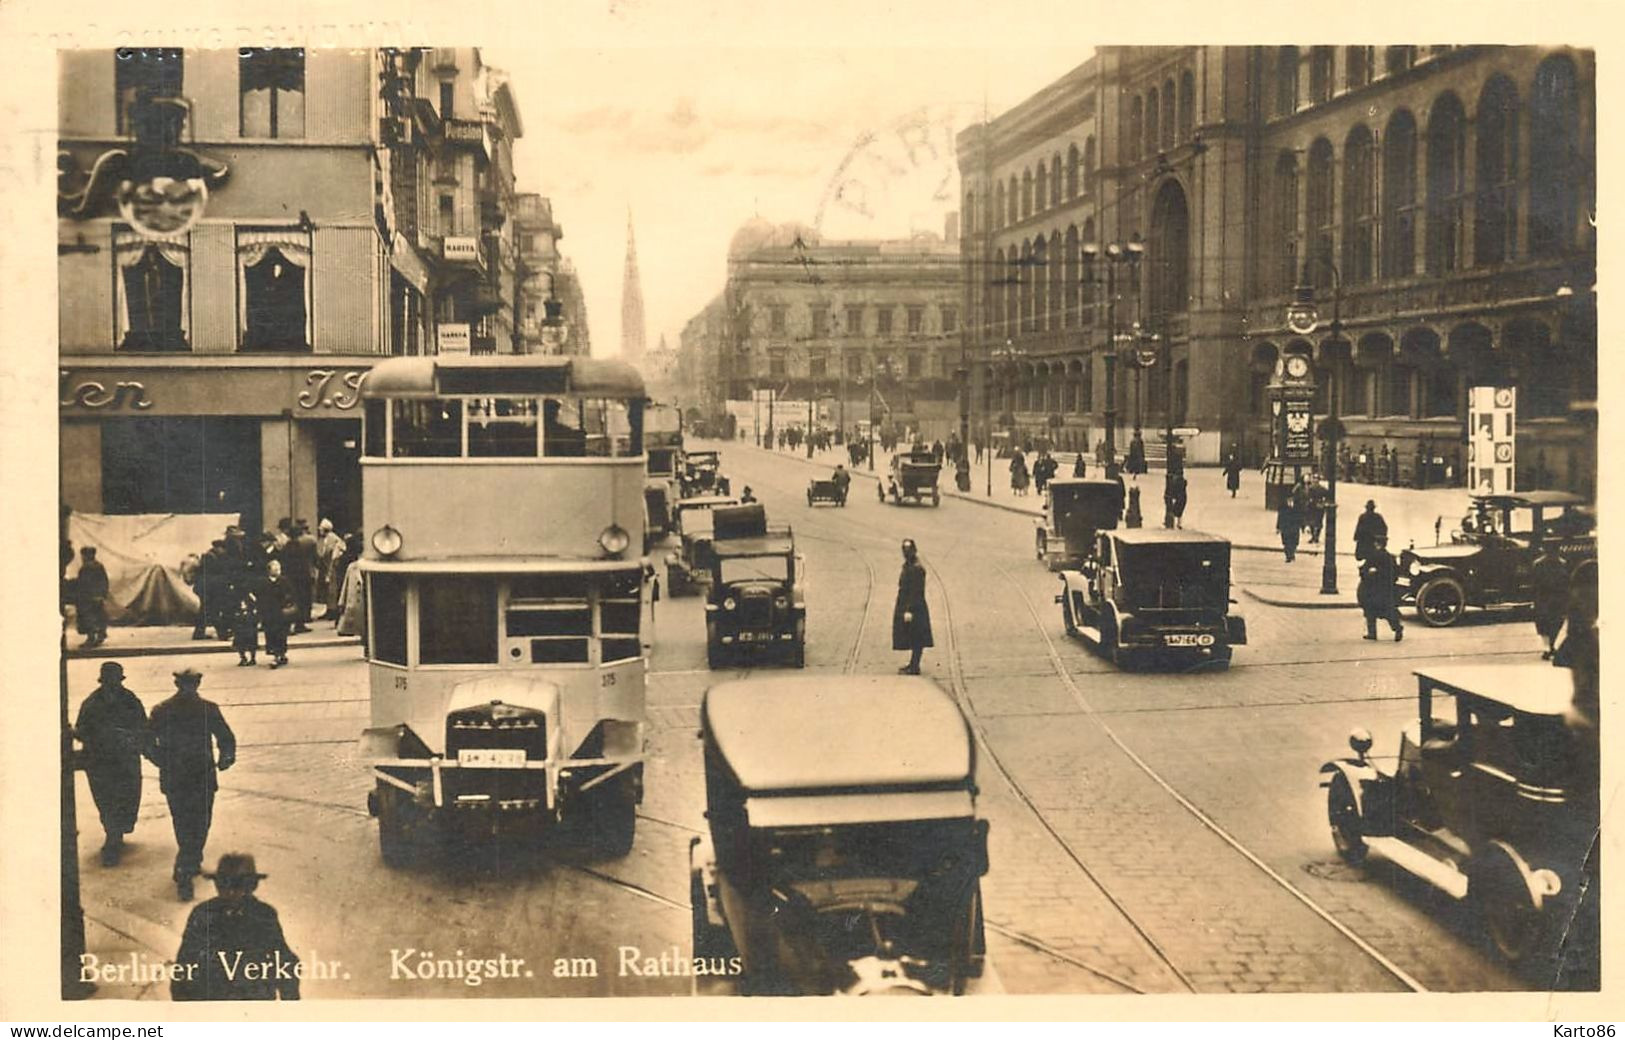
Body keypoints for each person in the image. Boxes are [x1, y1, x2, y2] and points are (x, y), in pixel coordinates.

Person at [146, 668, 236, 901]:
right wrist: (161, 760)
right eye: (185, 684)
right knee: (185, 822)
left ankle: (191, 859)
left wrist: (226, 756)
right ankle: (184, 870)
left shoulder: (207, 709)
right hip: (180, 775)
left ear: (197, 685)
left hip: (200, 774)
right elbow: (145, 740)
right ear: (178, 684)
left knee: (202, 821)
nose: (189, 688)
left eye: (192, 683)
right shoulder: (162, 710)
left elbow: (225, 737)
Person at [172, 854, 300, 1001]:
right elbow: (183, 965)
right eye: (223, 885)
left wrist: (290, 1005)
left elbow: (285, 961)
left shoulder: (263, 915)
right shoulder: (203, 914)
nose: (231, 892)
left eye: (238, 886)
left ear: (252, 887)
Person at [74, 662, 148, 866]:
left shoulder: (130, 699)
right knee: (105, 799)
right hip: (101, 761)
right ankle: (112, 836)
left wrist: (130, 738)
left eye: (115, 680)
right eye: (109, 680)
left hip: (125, 760)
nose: (112, 684)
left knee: (127, 797)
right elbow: (82, 730)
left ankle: (117, 833)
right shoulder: (92, 702)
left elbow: (143, 726)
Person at [892, 540, 933, 675]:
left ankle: (914, 666)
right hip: (909, 604)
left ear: (914, 550)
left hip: (914, 607)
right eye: (904, 550)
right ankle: (913, 664)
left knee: (916, 637)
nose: (905, 553)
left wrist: (909, 610)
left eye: (908, 550)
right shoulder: (910, 566)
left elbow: (916, 592)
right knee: (913, 635)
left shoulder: (916, 568)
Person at [1357, 535, 1404, 642]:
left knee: (1378, 612)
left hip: (1378, 590)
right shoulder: (1385, 557)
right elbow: (1395, 574)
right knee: (1378, 611)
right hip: (1378, 590)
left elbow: (1364, 571)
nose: (1376, 545)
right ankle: (1392, 629)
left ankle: (1392, 630)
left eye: (1377, 543)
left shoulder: (1379, 557)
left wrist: (1373, 573)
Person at [1531, 550, 1570, 660]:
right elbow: (1566, 582)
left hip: (1544, 597)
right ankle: (1550, 646)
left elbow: (1534, 584)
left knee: (1545, 622)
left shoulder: (1538, 564)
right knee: (1555, 621)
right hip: (1555, 597)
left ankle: (1548, 647)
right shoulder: (1562, 563)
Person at [258, 559, 295, 669]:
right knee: (270, 634)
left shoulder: (284, 581)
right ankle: (276, 654)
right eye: (275, 569)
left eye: (279, 569)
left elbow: (291, 595)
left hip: (281, 612)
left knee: (281, 634)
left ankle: (280, 654)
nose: (277, 572)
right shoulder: (263, 582)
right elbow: (260, 597)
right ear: (269, 570)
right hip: (268, 612)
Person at [74, 546, 111, 648]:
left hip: (88, 598)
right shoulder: (99, 566)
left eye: (83, 555)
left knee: (88, 618)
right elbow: (105, 581)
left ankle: (91, 639)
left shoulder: (86, 568)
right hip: (97, 597)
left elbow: (83, 584)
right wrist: (103, 595)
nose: (82, 557)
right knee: (98, 617)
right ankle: (100, 635)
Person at [314, 520, 344, 621]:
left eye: (321, 529)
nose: (319, 530)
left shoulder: (331, 538)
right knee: (329, 590)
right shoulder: (328, 538)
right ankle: (329, 609)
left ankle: (333, 611)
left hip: (332, 567)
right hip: (327, 567)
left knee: (332, 590)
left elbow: (329, 554)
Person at [232, 590, 259, 667]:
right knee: (239, 643)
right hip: (239, 625)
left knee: (251, 642)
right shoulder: (235, 598)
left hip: (249, 625)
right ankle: (243, 657)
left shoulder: (250, 598)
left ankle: (252, 658)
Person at [1277, 487, 1303, 563]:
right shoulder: (1283, 507)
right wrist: (1278, 527)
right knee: (1286, 542)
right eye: (1288, 500)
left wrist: (1302, 526)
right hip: (1286, 527)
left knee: (1294, 542)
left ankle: (1292, 554)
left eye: (1291, 499)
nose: (1290, 501)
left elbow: (1300, 516)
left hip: (1294, 527)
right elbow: (1280, 517)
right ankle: (1289, 556)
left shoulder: (1297, 506)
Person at [1305, 476, 1328, 544]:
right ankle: (1314, 537)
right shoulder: (1311, 488)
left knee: (1317, 523)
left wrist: (1323, 503)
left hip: (1317, 508)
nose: (1315, 480)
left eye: (1316, 479)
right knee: (1312, 523)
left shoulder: (1321, 489)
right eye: (1314, 479)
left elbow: (1327, 496)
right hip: (1313, 508)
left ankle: (1316, 537)